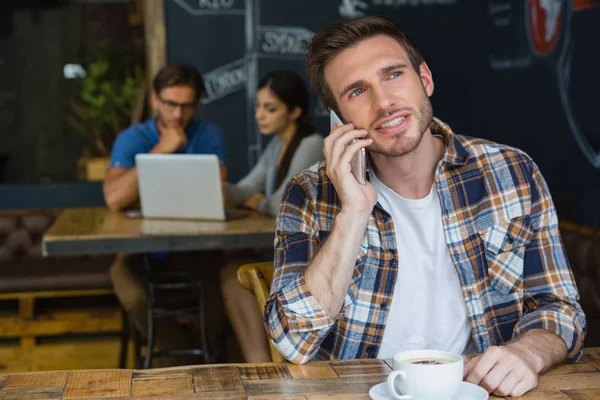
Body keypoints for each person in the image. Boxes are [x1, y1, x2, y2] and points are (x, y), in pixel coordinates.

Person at [264, 16, 586, 398]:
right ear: (338, 120)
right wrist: (353, 212)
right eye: (356, 92)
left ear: (425, 79)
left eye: (393, 75)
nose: (383, 102)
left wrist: (528, 353)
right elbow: (292, 343)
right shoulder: (309, 193)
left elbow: (560, 308)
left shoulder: (511, 171)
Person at [104, 64, 228, 364]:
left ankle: (193, 363)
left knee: (220, 298)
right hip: (140, 254)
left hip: (199, 254)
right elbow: (114, 198)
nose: (177, 115)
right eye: (170, 104)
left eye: (186, 106)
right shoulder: (134, 137)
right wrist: (160, 150)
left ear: (197, 105)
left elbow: (220, 193)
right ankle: (182, 364)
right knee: (132, 294)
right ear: (155, 100)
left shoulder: (209, 134)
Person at [220, 70, 324, 362]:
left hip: (307, 255)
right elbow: (246, 189)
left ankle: (262, 365)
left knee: (232, 275)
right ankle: (260, 362)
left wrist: (258, 202)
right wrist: (213, 186)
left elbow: (281, 204)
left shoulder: (311, 144)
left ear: (295, 111)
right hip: (279, 245)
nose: (259, 115)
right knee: (229, 273)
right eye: (258, 107)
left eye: (270, 108)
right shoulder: (276, 146)